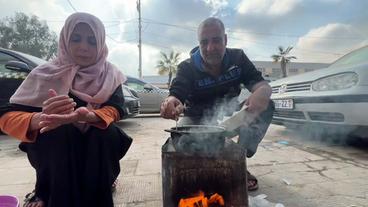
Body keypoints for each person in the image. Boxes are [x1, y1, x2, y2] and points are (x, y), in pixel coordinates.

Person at [0, 12, 132, 207]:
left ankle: (101, 193)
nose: (84, 47)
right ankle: (47, 194)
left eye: (92, 41)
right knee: (59, 131)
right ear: (65, 40)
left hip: (94, 142)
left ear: (101, 44)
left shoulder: (109, 74)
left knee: (105, 134)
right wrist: (40, 118)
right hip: (54, 144)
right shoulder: (44, 73)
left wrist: (91, 116)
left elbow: (116, 108)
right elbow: (6, 115)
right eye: (76, 38)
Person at [160, 17, 274, 191]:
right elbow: (177, 92)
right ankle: (203, 168)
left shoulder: (238, 58)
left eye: (216, 40)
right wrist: (171, 100)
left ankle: (237, 162)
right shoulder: (187, 67)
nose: (210, 48)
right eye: (204, 42)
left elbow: (260, 84)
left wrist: (262, 93)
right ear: (198, 43)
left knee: (268, 106)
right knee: (182, 142)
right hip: (197, 122)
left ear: (225, 40)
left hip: (232, 118)